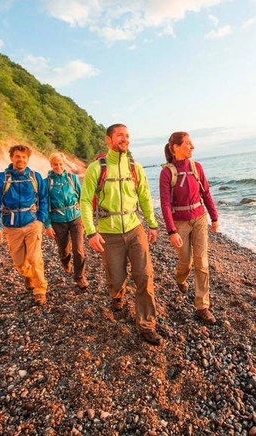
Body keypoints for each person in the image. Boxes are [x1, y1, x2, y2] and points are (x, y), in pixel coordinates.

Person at [80, 124, 163, 346]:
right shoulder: (96, 168)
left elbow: (144, 196)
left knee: (144, 277)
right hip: (109, 233)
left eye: (127, 136)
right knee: (116, 279)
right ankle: (117, 297)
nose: (124, 139)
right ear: (108, 140)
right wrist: (91, 232)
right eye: (120, 136)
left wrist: (152, 224)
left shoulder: (135, 167)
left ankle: (147, 326)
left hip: (135, 229)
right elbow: (86, 201)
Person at [159, 132, 219, 325]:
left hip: (199, 219)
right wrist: (171, 230)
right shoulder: (167, 172)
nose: (192, 147)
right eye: (188, 143)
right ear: (176, 147)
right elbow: (165, 204)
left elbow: (206, 193)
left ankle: (202, 306)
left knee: (202, 263)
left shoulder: (197, 167)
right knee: (185, 262)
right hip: (180, 223)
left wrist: (214, 217)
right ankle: (180, 278)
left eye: (192, 143)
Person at [0, 144, 49, 306]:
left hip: (32, 223)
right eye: (17, 156)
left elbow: (43, 199)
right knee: (19, 263)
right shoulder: (1, 178)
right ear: (11, 158)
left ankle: (40, 290)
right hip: (11, 225)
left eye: (23, 157)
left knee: (35, 258)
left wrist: (41, 219)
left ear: (28, 159)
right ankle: (28, 275)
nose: (20, 159)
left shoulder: (35, 177)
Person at [44, 152, 88, 289]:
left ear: (64, 164)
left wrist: (86, 218)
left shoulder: (72, 178)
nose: (58, 167)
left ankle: (80, 277)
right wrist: (47, 224)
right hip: (57, 220)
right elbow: (44, 204)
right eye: (55, 164)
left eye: (61, 164)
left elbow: (82, 199)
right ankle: (65, 260)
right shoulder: (47, 183)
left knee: (79, 249)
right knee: (64, 249)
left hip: (76, 218)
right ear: (51, 165)